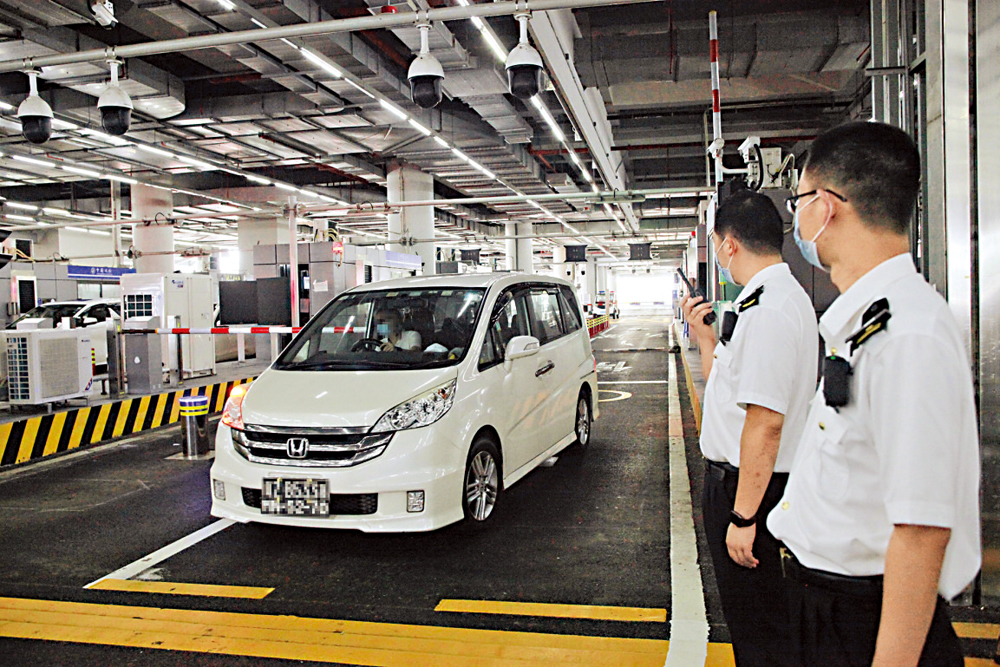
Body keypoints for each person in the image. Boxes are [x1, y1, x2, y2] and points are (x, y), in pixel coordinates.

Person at [768, 121, 980, 667]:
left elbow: (921, 531)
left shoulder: (908, 335)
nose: (797, 218)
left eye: (799, 202)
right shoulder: (869, 323)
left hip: (864, 624)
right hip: (828, 613)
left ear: (826, 206)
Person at [680, 190, 818, 667]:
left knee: (761, 629)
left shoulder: (771, 309)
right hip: (744, 485)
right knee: (752, 621)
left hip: (750, 491)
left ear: (729, 245)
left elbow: (765, 423)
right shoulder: (766, 299)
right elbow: (730, 389)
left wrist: (742, 518)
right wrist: (705, 339)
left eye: (717, 243)